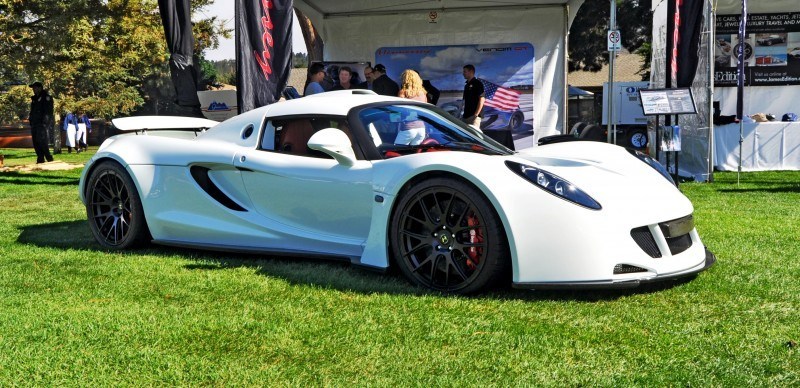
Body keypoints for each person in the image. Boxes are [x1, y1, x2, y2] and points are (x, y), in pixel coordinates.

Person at [28, 81, 54, 163]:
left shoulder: (46, 97)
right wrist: (31, 120)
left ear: (40, 88)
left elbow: (48, 111)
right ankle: (40, 158)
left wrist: (45, 123)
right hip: (34, 123)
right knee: (35, 141)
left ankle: (48, 157)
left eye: (35, 87)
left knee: (42, 140)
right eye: (33, 88)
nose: (33, 89)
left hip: (41, 123)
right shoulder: (34, 99)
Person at [461, 64, 485, 129]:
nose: (463, 73)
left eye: (465, 71)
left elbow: (482, 99)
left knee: (473, 137)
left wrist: (476, 115)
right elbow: (464, 101)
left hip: (474, 118)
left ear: (471, 72)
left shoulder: (478, 83)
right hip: (465, 116)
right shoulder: (466, 86)